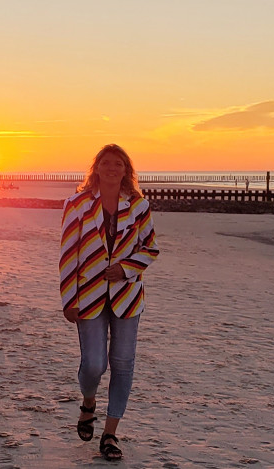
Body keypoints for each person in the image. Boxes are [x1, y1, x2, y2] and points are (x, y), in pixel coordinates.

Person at [58, 143, 160, 461]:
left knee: (123, 364)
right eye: (106, 162)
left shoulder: (139, 207)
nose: (112, 168)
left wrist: (126, 269)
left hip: (127, 298)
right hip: (87, 296)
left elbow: (150, 249)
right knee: (93, 364)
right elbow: (67, 254)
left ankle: (110, 434)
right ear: (96, 168)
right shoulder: (76, 204)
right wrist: (68, 298)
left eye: (119, 163)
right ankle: (89, 403)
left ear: (126, 171)